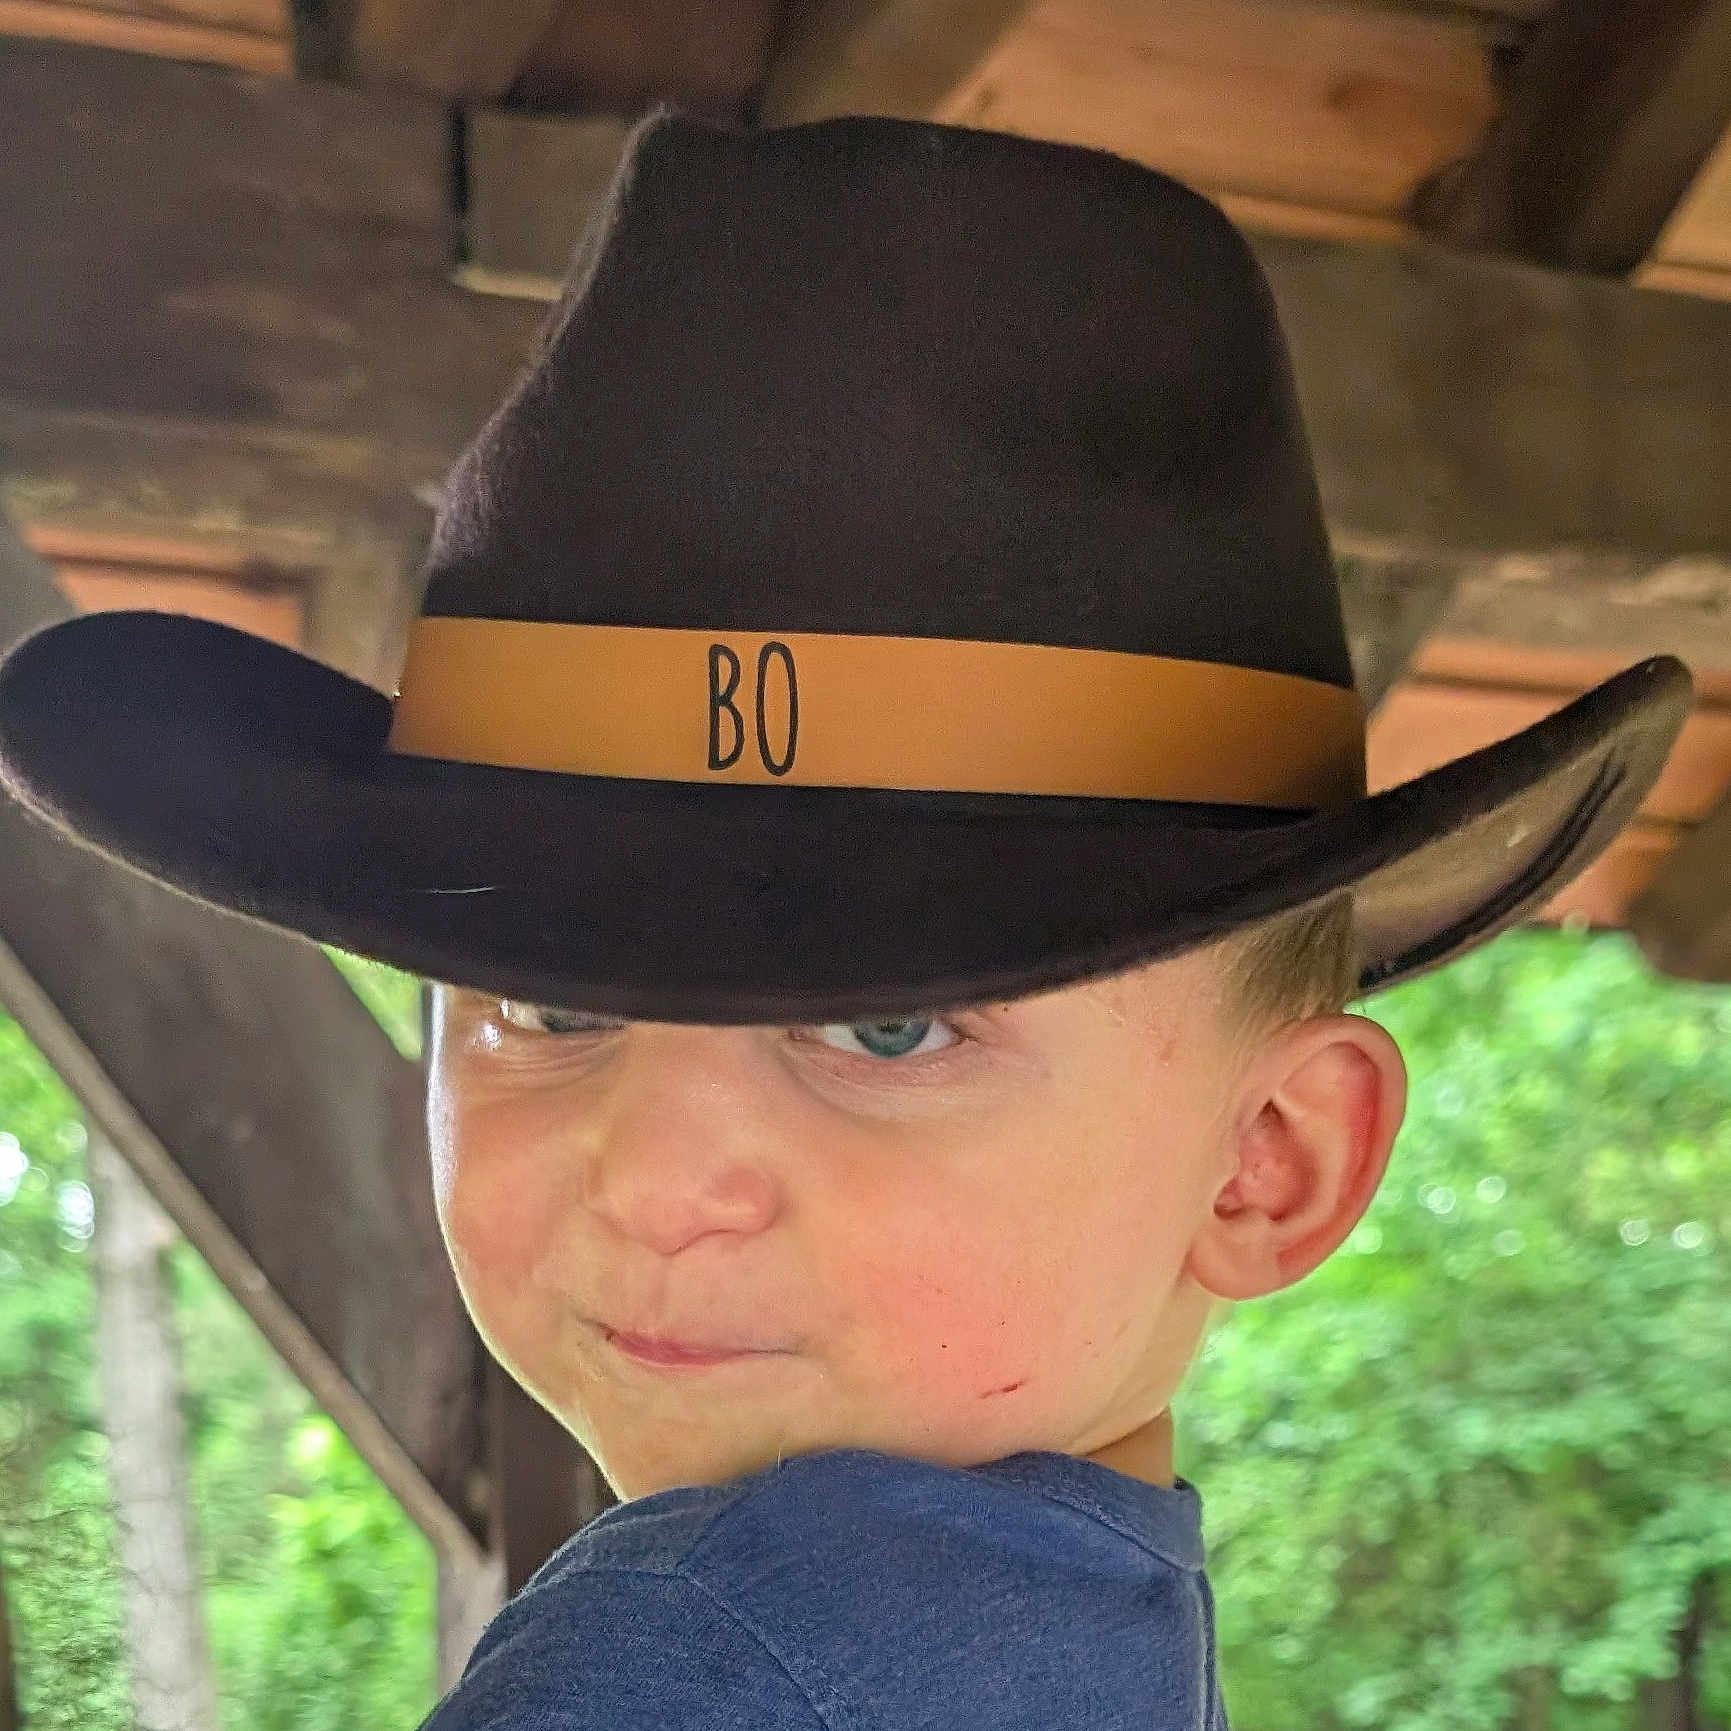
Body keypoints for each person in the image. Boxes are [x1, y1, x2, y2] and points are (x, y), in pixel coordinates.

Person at [0, 112, 1692, 1728]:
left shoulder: (706, 1660)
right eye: (542, 1004)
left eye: (893, 1027)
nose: (657, 1177)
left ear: (1269, 1158)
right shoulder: (1077, 1634)